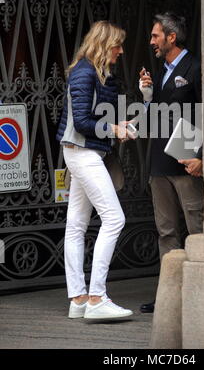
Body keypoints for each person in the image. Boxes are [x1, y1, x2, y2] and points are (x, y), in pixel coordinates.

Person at [56, 21, 134, 320]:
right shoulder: (85, 72)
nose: (121, 51)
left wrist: (118, 126)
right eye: (118, 45)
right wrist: (114, 129)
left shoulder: (96, 73)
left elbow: (96, 115)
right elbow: (83, 122)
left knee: (76, 223)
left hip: (85, 152)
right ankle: (97, 297)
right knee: (114, 218)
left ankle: (78, 299)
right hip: (83, 152)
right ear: (105, 44)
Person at [139, 12, 204, 313]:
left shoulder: (196, 66)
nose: (151, 41)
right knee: (166, 231)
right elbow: (156, 118)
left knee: (196, 226)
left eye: (155, 36)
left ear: (171, 37)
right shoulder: (161, 70)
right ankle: (169, 295)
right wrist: (148, 96)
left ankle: (201, 293)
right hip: (159, 161)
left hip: (186, 158)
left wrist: (202, 157)